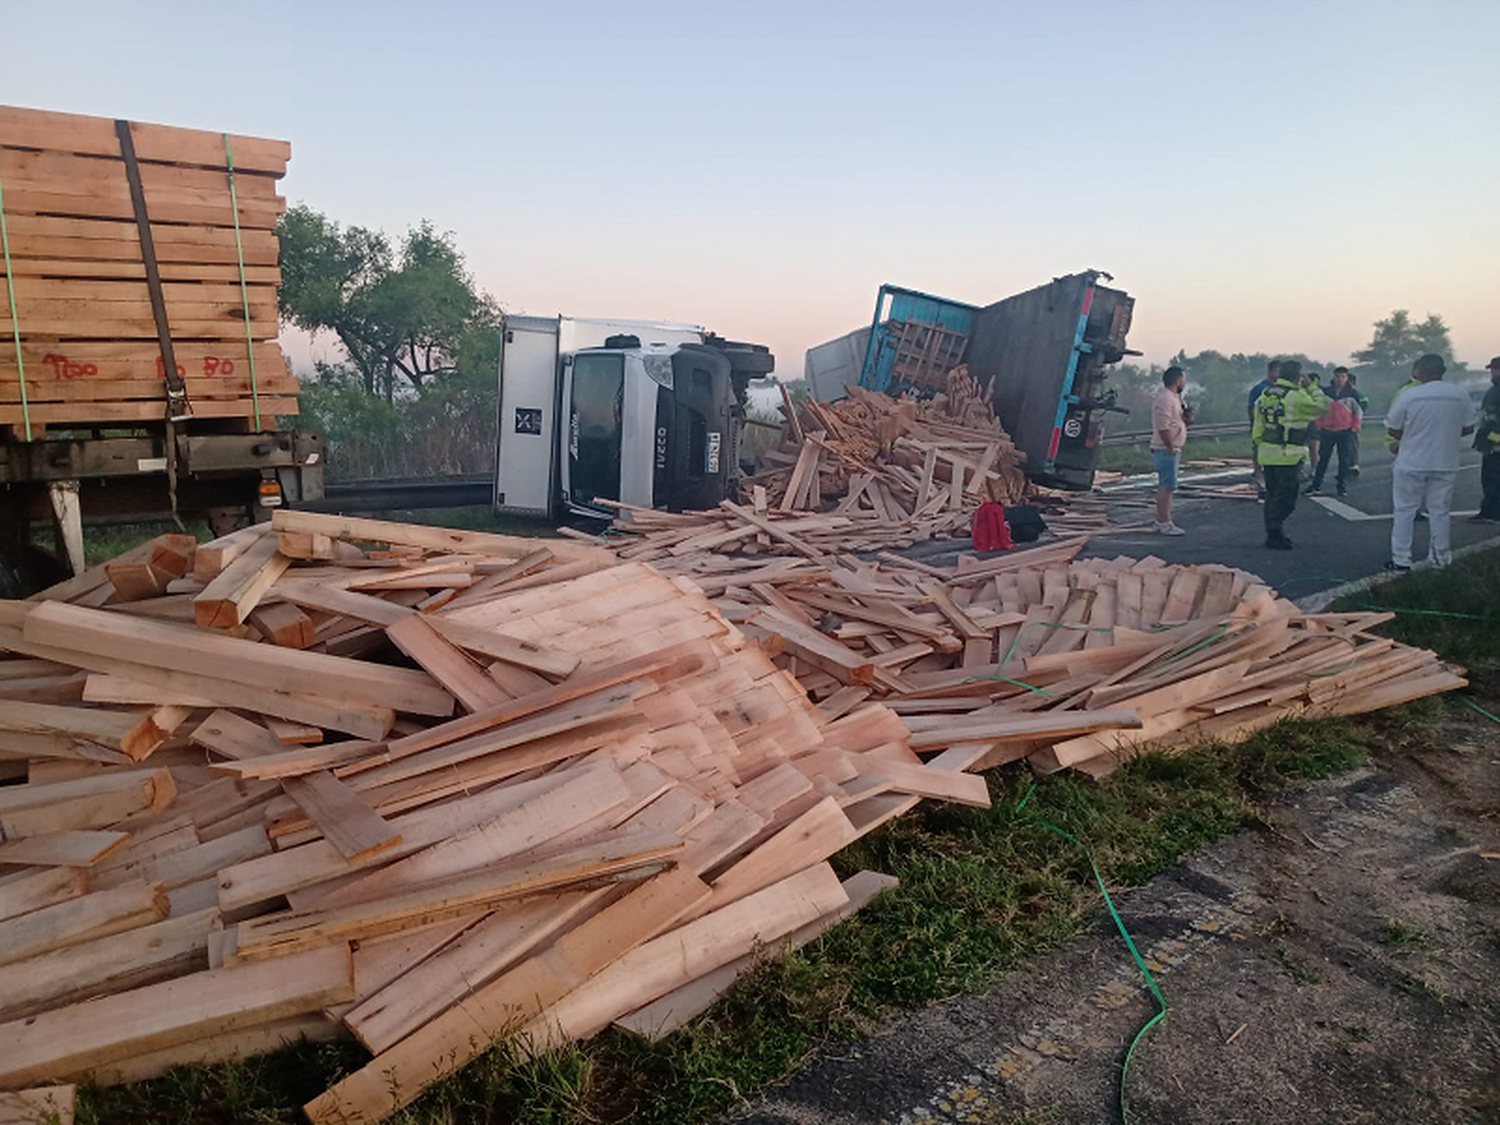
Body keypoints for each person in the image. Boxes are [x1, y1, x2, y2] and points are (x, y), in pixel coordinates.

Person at [1384, 353, 1476, 570]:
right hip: (1445, 461)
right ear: (1442, 371)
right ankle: (1439, 558)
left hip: (1411, 462)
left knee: (1405, 510)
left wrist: (1411, 436)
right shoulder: (1459, 394)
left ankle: (1401, 559)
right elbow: (1469, 427)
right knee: (1440, 511)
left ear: (1419, 372)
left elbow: (1393, 428)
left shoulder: (1410, 395)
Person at [1252, 360, 1330, 549]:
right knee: (1287, 498)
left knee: (1272, 495)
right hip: (1288, 455)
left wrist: (1260, 445)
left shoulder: (1265, 394)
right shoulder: (1296, 396)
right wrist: (1311, 387)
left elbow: (1258, 425)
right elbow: (1322, 407)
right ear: (1297, 377)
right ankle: (1274, 530)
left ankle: (1274, 534)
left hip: (1268, 454)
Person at [1306, 367, 1362, 496]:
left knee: (1344, 460)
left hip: (1345, 430)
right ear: (1333, 377)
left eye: (1343, 376)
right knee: (1323, 459)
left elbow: (1357, 412)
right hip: (1327, 430)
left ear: (1347, 378)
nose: (1340, 379)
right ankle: (1316, 485)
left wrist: (1354, 427)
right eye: (1337, 376)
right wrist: (1319, 425)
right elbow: (1318, 409)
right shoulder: (1326, 392)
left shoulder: (1352, 393)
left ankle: (1341, 485)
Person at [1149, 366, 1190, 535]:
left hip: (1170, 447)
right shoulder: (1165, 398)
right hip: (1165, 449)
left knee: (1168, 486)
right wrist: (1170, 445)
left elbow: (1174, 422)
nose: (1184, 383)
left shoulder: (1174, 398)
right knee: (1167, 486)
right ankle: (1164, 522)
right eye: (1183, 379)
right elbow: (1163, 426)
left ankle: (1163, 520)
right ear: (1178, 380)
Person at [1472, 356, 1500, 522]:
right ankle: (1488, 510)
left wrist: (1491, 439)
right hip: (1490, 445)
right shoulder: (1492, 391)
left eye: (1495, 369)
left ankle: (1494, 512)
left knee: (1494, 481)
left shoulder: (1496, 391)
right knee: (1489, 480)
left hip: (1495, 446)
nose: (1492, 372)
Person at [1248, 360, 1279, 498]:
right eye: (1277, 371)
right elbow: (1251, 409)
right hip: (1262, 428)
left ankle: (1271, 483)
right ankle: (1260, 481)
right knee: (1258, 455)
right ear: (1270, 372)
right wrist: (1255, 425)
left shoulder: (1283, 390)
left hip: (1276, 430)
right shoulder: (1259, 389)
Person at [1344, 369, 1370, 474]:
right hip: (1342, 423)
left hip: (1351, 422)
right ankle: (1347, 464)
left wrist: (1356, 415)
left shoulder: (1356, 393)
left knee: (1352, 442)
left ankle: (1353, 464)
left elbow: (1364, 402)